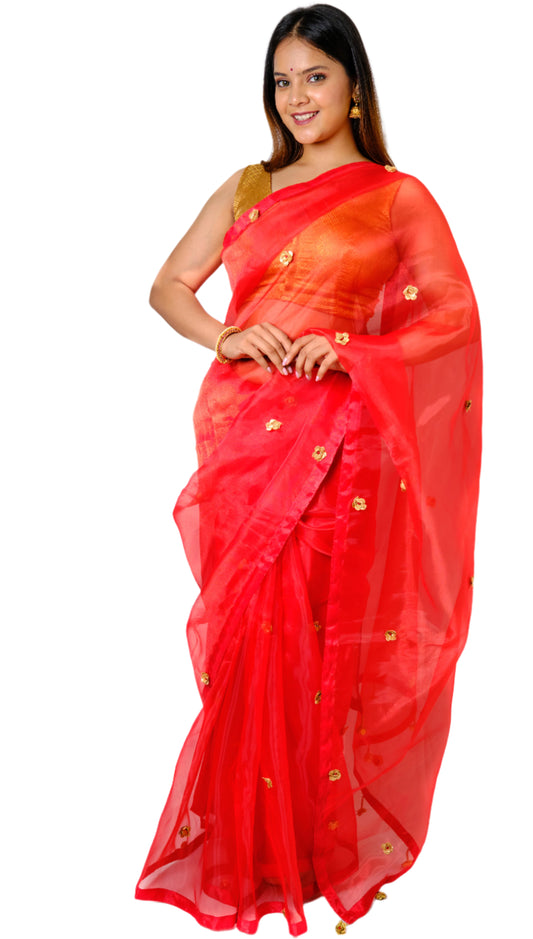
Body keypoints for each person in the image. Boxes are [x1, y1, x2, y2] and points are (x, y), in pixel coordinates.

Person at [135, 4, 482, 935]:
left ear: (355, 85)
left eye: (315, 78)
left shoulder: (396, 195)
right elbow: (169, 283)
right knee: (253, 646)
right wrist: (226, 333)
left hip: (339, 453)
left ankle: (316, 850)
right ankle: (251, 853)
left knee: (324, 648)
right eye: (282, 81)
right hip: (247, 443)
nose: (297, 98)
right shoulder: (249, 185)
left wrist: (358, 355)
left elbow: (449, 314)